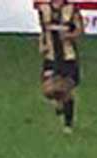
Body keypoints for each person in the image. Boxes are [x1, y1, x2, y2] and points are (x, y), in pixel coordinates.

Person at [36, 0, 84, 133]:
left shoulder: (71, 9)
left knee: (65, 90)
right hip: (51, 57)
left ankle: (68, 124)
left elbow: (80, 30)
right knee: (48, 90)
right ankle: (59, 103)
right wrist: (42, 44)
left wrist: (69, 35)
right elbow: (43, 31)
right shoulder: (44, 9)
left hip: (68, 58)